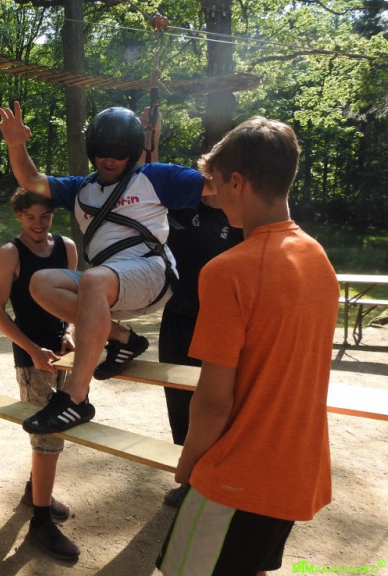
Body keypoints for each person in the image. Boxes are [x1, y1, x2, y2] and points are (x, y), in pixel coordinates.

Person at [156, 117, 339, 575]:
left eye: (217, 185)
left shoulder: (227, 272)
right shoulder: (317, 258)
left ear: (237, 182)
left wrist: (189, 465)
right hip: (296, 471)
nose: (215, 197)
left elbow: (214, 399)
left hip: (237, 478)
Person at [0, 102, 208, 434]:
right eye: (102, 151)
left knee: (93, 279)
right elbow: (32, 180)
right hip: (109, 287)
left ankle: (75, 398)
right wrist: (15, 144)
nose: (109, 159)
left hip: (153, 275)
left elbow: (218, 186)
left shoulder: (153, 177)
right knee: (41, 283)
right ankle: (124, 339)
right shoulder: (82, 189)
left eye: (119, 153)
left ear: (133, 152)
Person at [0, 188, 79, 561]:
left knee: (60, 429)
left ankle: (34, 491)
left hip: (65, 357)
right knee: (47, 437)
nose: (38, 225)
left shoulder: (67, 247)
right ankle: (40, 523)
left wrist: (70, 333)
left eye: (45, 217)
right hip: (31, 359)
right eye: (30, 218)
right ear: (18, 216)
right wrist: (32, 350)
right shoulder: (10, 253)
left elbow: (75, 299)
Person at [158, 199, 242, 508]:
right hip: (176, 319)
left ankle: (220, 483)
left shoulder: (237, 215)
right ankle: (189, 482)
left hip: (220, 322)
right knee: (179, 401)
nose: (209, 183)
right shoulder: (175, 207)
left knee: (219, 401)